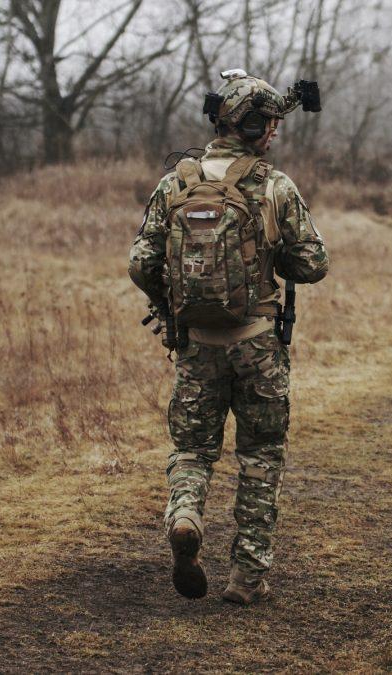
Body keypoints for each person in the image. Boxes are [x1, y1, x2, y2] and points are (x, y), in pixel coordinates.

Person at [128, 70, 329, 604]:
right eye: (273, 125)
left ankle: (187, 514)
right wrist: (272, 255)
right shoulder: (273, 186)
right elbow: (314, 264)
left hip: (196, 345)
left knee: (192, 449)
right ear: (257, 126)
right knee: (261, 456)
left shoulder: (177, 182)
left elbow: (140, 260)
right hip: (259, 344)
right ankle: (247, 577)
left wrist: (170, 310)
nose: (277, 135)